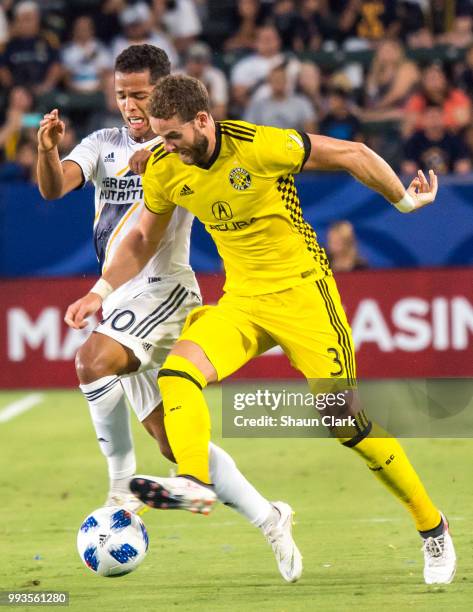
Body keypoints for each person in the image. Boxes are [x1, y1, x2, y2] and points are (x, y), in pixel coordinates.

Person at [65, 74, 456, 586]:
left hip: (304, 297)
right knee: (178, 372)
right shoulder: (166, 166)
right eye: (159, 137)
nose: (166, 147)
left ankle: (433, 527)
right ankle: (192, 480)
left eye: (173, 135)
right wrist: (99, 290)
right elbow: (139, 238)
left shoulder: (260, 144)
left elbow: (354, 153)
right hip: (243, 301)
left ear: (203, 120)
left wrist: (404, 202)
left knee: (346, 425)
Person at [36, 45, 302, 584]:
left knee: (91, 361)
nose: (129, 106)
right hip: (122, 298)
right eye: (120, 95)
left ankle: (120, 481)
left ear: (160, 95)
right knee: (172, 441)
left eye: (139, 95)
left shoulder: (180, 145)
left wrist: (160, 148)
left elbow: (200, 152)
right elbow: (53, 187)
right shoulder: (103, 144)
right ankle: (270, 517)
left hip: (164, 289)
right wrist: (46, 152)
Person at [402, 105, 471, 176]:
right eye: (431, 117)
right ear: (423, 120)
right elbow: (409, 166)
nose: (434, 122)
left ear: (444, 119)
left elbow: (463, 165)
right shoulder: (414, 141)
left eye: (437, 117)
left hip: (450, 182)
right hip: (423, 183)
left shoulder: (454, 140)